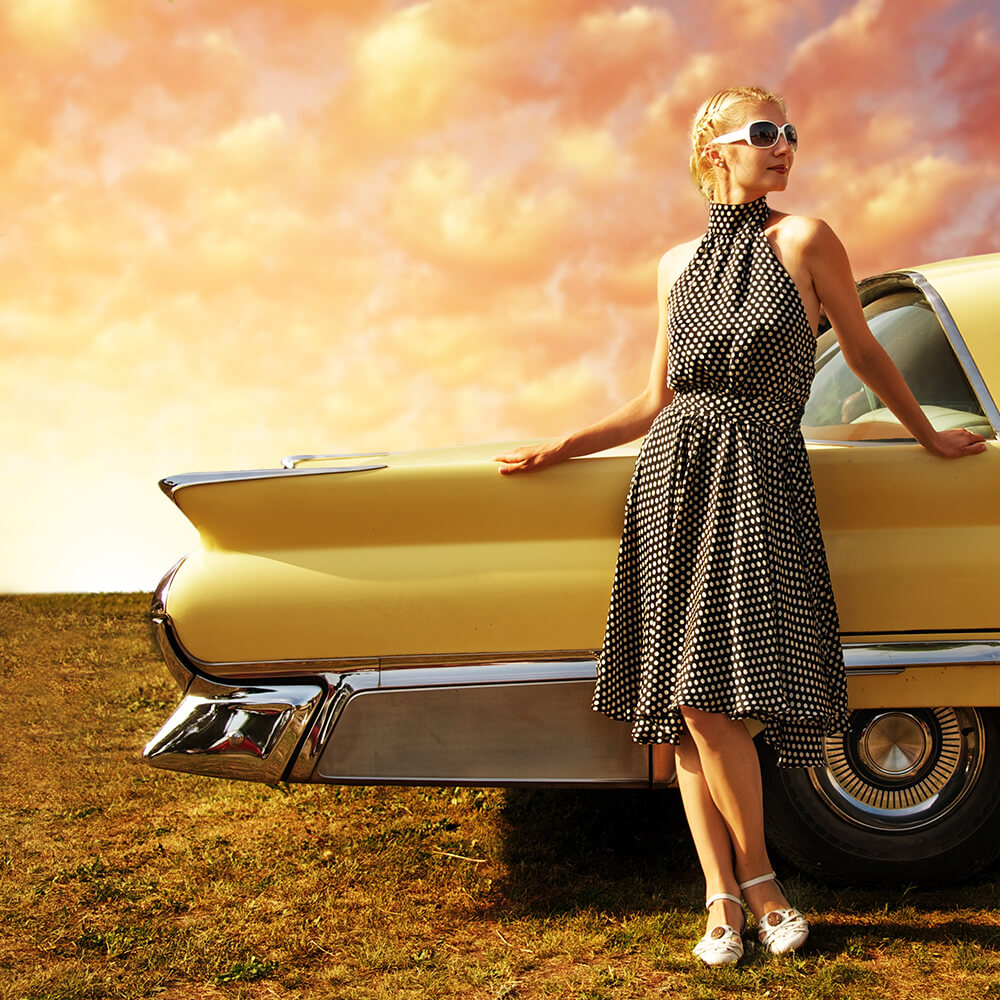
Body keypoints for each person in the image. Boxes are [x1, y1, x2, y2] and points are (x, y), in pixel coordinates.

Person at [493, 85, 987, 965]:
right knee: (688, 708)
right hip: (674, 478)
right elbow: (656, 400)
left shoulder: (804, 239)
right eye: (766, 133)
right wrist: (563, 445)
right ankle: (725, 896)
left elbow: (865, 351)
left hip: (759, 474)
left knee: (721, 702)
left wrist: (926, 435)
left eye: (792, 133)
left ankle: (754, 879)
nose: (786, 145)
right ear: (713, 147)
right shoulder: (674, 263)